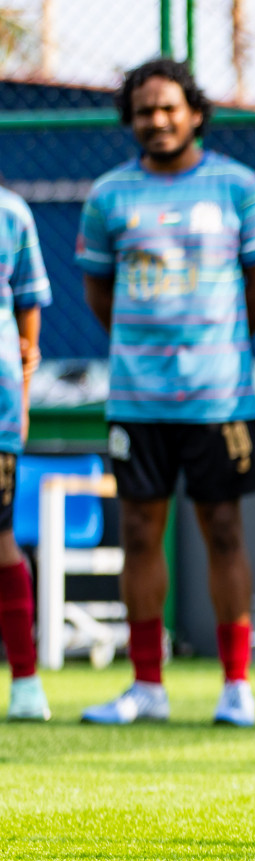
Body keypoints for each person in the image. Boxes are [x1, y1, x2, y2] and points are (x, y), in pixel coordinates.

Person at [76, 59, 255, 727]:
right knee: (139, 531)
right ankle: (146, 687)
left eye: (169, 108)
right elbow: (99, 293)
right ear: (129, 120)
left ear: (195, 112)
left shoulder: (239, 186)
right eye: (144, 111)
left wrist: (214, 346)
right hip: (136, 399)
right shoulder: (108, 195)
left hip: (221, 397)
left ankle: (237, 686)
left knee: (224, 529)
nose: (157, 121)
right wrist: (150, 349)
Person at [0, 183, 49, 721]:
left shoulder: (12, 211)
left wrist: (24, 398)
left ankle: (26, 682)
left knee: (0, 538)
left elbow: (29, 308)